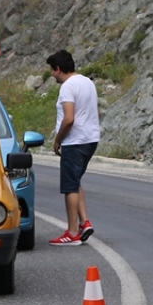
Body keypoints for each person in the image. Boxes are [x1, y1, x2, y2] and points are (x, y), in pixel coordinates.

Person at [46, 49, 100, 247]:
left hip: (74, 141)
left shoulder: (68, 87)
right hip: (90, 139)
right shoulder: (88, 82)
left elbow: (69, 118)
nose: (52, 75)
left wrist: (58, 139)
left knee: (69, 186)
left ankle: (71, 232)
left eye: (52, 71)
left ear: (58, 69)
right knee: (75, 181)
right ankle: (84, 223)